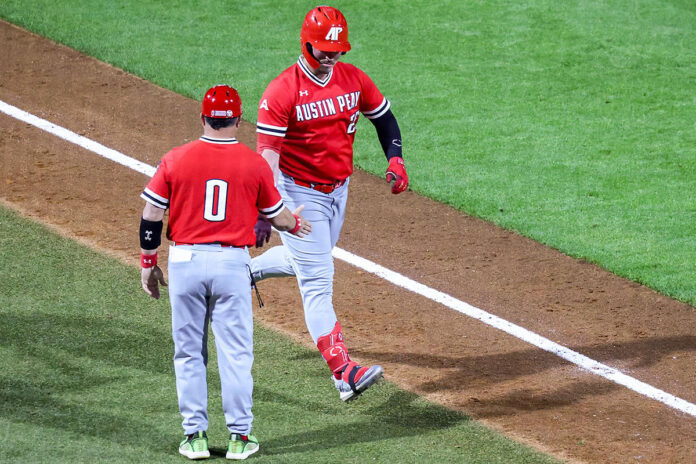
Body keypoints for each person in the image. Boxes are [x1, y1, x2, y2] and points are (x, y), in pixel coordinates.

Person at [139, 84, 311, 460]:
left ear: (203, 117)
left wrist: (148, 263)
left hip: (184, 262)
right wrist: (295, 225)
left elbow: (151, 215)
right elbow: (279, 217)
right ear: (237, 120)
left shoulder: (175, 158)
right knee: (235, 354)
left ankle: (195, 437)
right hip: (232, 264)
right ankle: (239, 438)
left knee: (188, 353)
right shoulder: (254, 164)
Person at [251, 5, 409, 402]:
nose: (331, 56)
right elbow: (266, 157)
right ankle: (343, 373)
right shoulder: (282, 91)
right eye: (323, 49)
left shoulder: (353, 80)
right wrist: (267, 209)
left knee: (311, 258)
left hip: (338, 189)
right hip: (297, 193)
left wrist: (395, 157)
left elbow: (385, 119)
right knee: (318, 279)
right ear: (306, 43)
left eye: (336, 49)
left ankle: (241, 274)